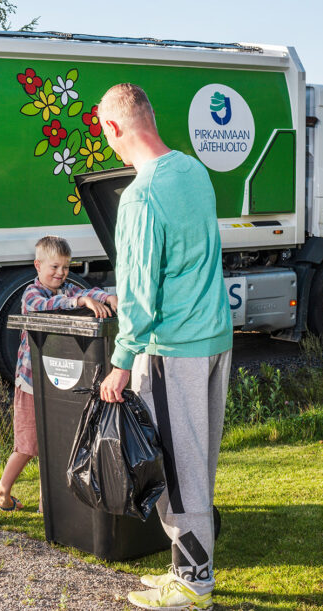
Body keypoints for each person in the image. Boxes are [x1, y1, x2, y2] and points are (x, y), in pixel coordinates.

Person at [95, 84, 233, 611]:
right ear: (150, 117)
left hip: (173, 347)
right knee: (198, 459)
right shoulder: (193, 171)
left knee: (179, 465)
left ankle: (195, 582)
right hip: (213, 338)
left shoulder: (140, 195)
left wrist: (120, 361)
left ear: (112, 129)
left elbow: (139, 290)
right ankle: (182, 569)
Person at [0, 235, 117, 512]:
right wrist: (80, 301)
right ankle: (1, 490)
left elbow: (89, 292)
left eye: (66, 267)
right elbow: (45, 307)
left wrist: (107, 297)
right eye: (54, 267)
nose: (61, 273)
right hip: (32, 383)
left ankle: (50, 506)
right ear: (38, 265)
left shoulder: (69, 288)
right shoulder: (32, 294)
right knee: (28, 444)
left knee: (58, 444)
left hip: (57, 383)